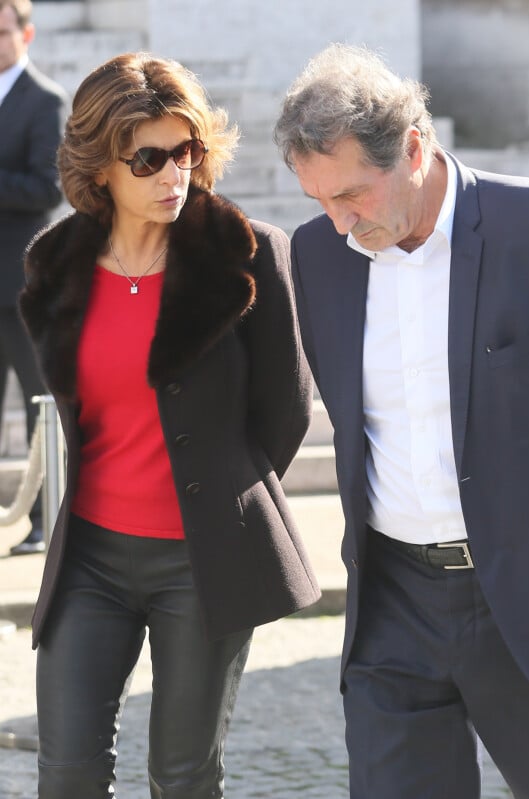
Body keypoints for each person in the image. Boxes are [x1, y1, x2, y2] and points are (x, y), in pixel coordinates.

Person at [274, 43, 529, 799]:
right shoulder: (318, 255)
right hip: (393, 607)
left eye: (352, 195)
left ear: (414, 146)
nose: (340, 223)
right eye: (319, 201)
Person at [19, 51, 320, 799]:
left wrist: (217, 498)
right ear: (99, 168)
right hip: (90, 559)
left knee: (183, 778)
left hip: (204, 558)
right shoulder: (54, 266)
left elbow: (284, 413)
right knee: (66, 774)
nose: (173, 173)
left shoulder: (250, 257)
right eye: (149, 157)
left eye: (185, 150)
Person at [0, 0, 67, 554]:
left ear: (27, 34)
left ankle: (46, 523)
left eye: (1, 33)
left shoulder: (45, 100)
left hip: (21, 285)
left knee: (38, 404)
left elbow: (48, 189)